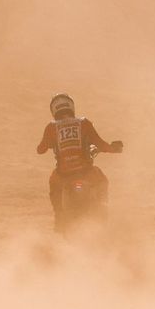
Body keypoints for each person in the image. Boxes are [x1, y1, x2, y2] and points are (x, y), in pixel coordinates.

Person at [36, 93, 123, 226]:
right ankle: (102, 206)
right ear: (71, 107)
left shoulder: (51, 127)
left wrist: (50, 142)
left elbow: (40, 150)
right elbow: (101, 145)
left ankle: (59, 218)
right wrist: (114, 148)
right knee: (102, 180)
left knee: (54, 187)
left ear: (54, 110)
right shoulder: (84, 123)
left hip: (63, 176)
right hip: (86, 172)